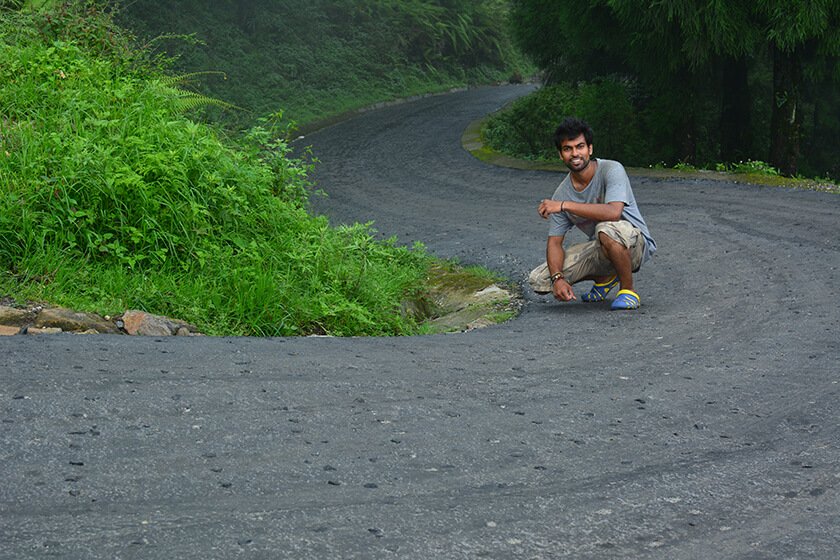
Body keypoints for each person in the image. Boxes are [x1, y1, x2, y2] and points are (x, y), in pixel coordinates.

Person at [528, 117, 655, 310]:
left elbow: (614, 212)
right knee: (540, 279)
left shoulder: (611, 169)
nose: (574, 154)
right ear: (561, 155)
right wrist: (558, 278)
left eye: (579, 146)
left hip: (633, 244)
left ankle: (628, 291)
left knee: (606, 228)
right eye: (567, 149)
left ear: (590, 149)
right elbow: (554, 243)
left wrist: (564, 205)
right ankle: (605, 278)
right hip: (602, 246)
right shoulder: (562, 193)